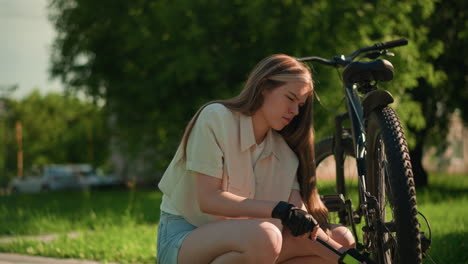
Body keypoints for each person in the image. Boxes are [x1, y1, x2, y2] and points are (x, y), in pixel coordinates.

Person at [157, 54, 358, 264]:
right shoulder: (216, 118)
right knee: (266, 237)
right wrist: (279, 210)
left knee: (340, 238)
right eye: (290, 98)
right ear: (263, 87)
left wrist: (353, 261)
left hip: (253, 242)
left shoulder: (285, 154)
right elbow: (209, 199)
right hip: (186, 239)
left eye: (300, 103)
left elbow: (305, 228)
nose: (295, 111)